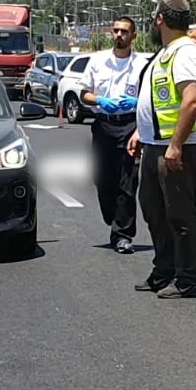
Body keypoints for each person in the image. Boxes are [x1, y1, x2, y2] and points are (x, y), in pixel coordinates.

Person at [127, 0, 196, 298]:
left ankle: (187, 278)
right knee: (153, 209)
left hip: (177, 147)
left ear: (160, 19)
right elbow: (161, 102)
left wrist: (175, 144)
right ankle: (164, 270)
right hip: (154, 143)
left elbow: (191, 100)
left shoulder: (185, 52)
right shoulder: (166, 52)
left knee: (180, 214)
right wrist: (140, 131)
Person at [80, 16, 146, 253]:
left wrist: (137, 102)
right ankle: (112, 216)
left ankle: (123, 234)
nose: (119, 35)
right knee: (103, 179)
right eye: (116, 31)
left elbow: (149, 99)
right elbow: (84, 94)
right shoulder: (98, 61)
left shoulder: (142, 65)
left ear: (134, 36)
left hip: (129, 125)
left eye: (125, 31)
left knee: (127, 182)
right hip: (104, 125)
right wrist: (100, 100)